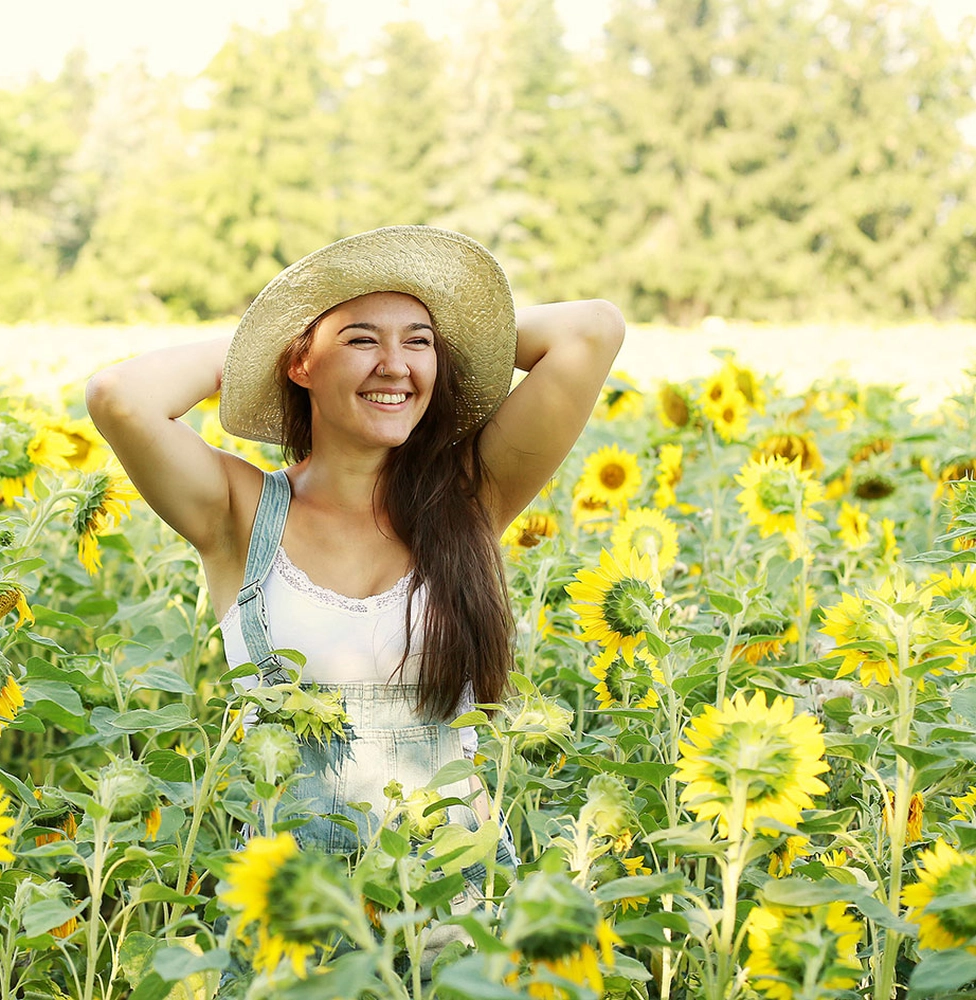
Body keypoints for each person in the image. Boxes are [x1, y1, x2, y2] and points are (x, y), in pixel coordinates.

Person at [85, 225, 623, 891]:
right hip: (296, 909)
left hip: (453, 904)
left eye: (418, 342)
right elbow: (119, 397)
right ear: (300, 363)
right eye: (362, 339)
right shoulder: (239, 512)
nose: (396, 365)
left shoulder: (469, 498)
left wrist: (460, 343)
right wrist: (267, 341)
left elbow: (593, 330)